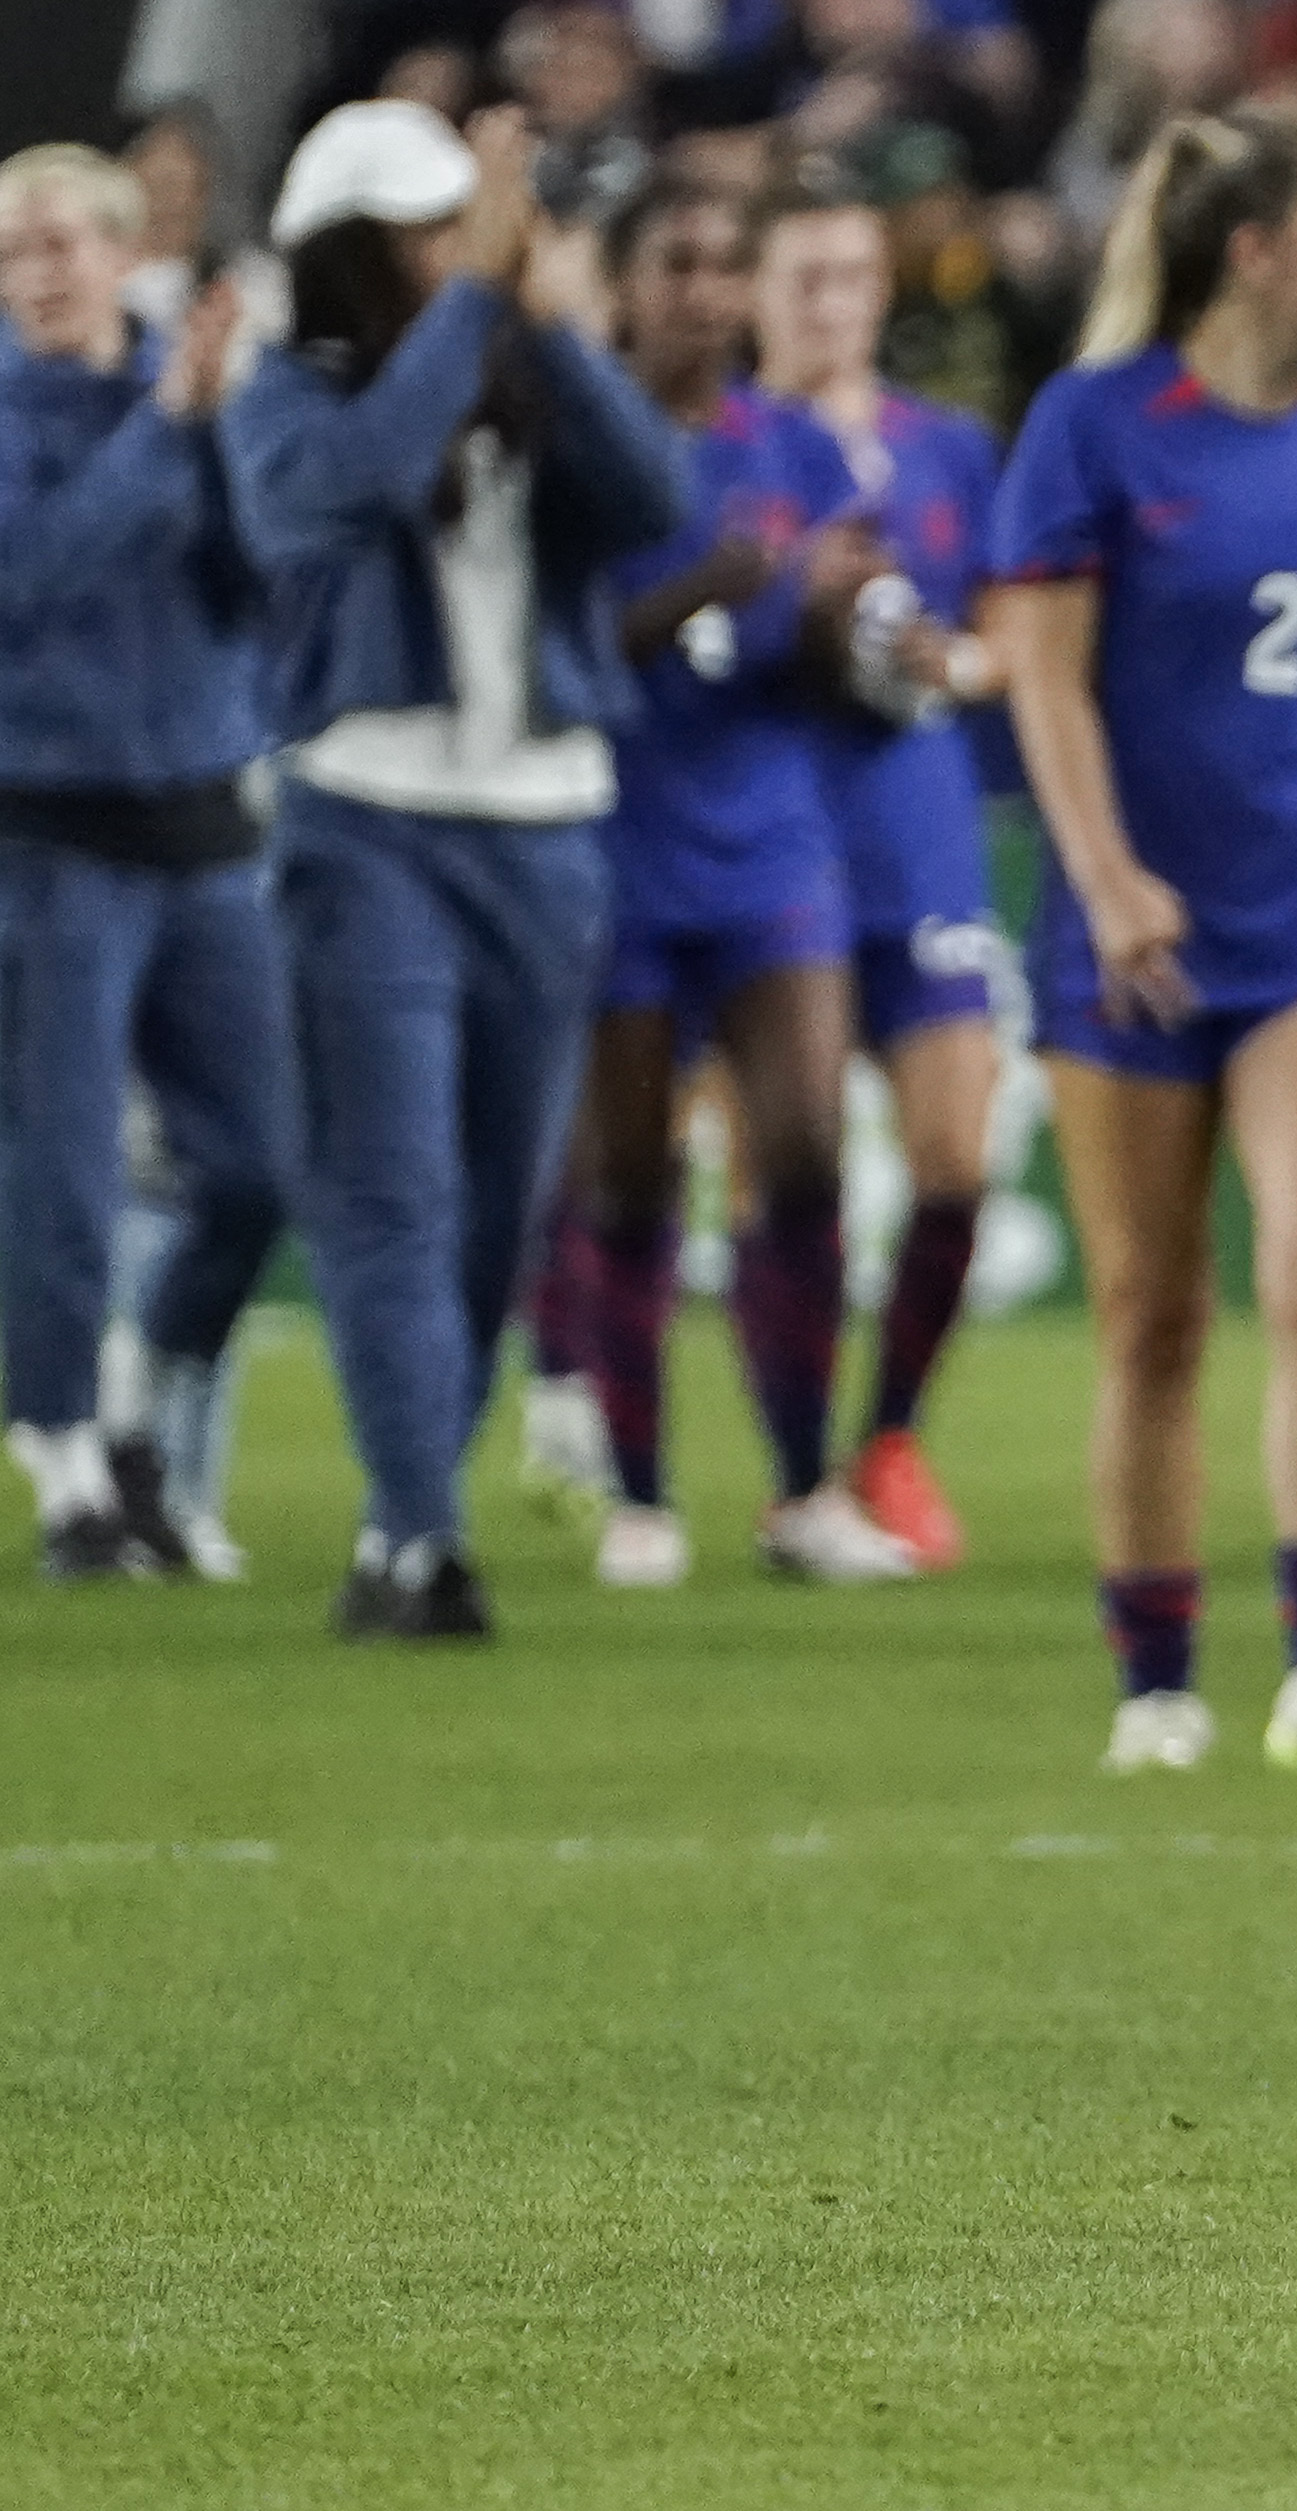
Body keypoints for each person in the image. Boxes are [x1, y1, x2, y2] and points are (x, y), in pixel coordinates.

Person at [991, 110, 1297, 1775]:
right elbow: (1041, 671)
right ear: (1254, 248)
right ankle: (1154, 1676)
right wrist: (1108, 873)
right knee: (1146, 1307)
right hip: (1141, 929)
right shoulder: (1093, 423)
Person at [230, 100, 691, 1644]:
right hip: (367, 814)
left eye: (467, 219)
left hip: (546, 818)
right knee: (393, 1188)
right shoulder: (280, 390)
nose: (462, 246)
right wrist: (485, 302)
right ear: (351, 250)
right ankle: (417, 1530)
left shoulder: (516, 362)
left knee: (499, 1208)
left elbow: (659, 502)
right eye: (432, 226)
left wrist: (550, 330)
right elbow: (349, 485)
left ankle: (411, 1496)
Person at [532, 185, 927, 1589]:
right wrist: (719, 578)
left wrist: (852, 628)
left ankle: (804, 1488)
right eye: (677, 259)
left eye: (725, 260)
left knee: (808, 1151)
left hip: (772, 839)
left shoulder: (798, 445)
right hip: (622, 838)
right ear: (625, 290)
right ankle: (641, 1494)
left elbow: (849, 687)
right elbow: (566, 657)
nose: (706, 286)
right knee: (633, 1175)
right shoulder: (577, 439)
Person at [0, 147, 290, 1582]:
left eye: (57, 244)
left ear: (121, 246)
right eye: (10, 248)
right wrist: (167, 424)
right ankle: (67, 1461)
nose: (34, 272)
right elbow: (24, 569)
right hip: (47, 828)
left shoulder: (202, 394)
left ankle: (143, 1389)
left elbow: (261, 577)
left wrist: (210, 432)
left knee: (266, 1162)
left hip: (203, 820)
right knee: (59, 1170)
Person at [750, 190, 1012, 1565]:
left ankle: (890, 1437)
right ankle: (790, 1474)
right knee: (780, 1170)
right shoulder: (732, 445)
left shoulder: (947, 447)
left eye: (853, 270)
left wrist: (951, 664)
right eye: (805, 272)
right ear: (760, 288)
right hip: (767, 820)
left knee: (953, 1158)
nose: (832, 297)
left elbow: (1013, 628)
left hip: (921, 827)